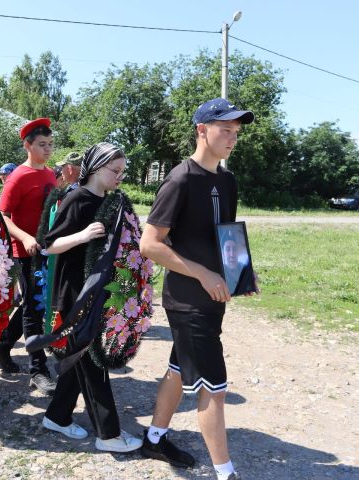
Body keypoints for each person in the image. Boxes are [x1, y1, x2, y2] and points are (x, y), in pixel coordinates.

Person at [138, 98, 255, 480]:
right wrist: (203, 274)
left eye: (236, 131)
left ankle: (154, 439)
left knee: (178, 369)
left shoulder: (227, 179)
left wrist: (239, 273)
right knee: (214, 388)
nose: (232, 138)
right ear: (201, 130)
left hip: (214, 296)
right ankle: (226, 472)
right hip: (188, 300)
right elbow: (150, 244)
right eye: (225, 129)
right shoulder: (180, 179)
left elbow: (223, 236)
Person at [41, 142, 143, 453]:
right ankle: (108, 433)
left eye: (122, 173)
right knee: (90, 356)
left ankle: (57, 416)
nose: (119, 177)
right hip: (75, 292)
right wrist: (82, 236)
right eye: (116, 171)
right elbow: (49, 244)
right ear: (97, 168)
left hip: (93, 291)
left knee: (78, 356)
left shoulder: (106, 201)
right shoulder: (78, 198)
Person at [0, 117, 58, 395]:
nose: (48, 149)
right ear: (27, 146)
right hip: (24, 251)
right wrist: (26, 237)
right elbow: (2, 217)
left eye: (51, 144)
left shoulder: (50, 174)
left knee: (35, 304)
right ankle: (37, 370)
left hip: (47, 250)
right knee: (34, 308)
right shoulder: (17, 177)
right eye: (42, 144)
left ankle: (4, 344)